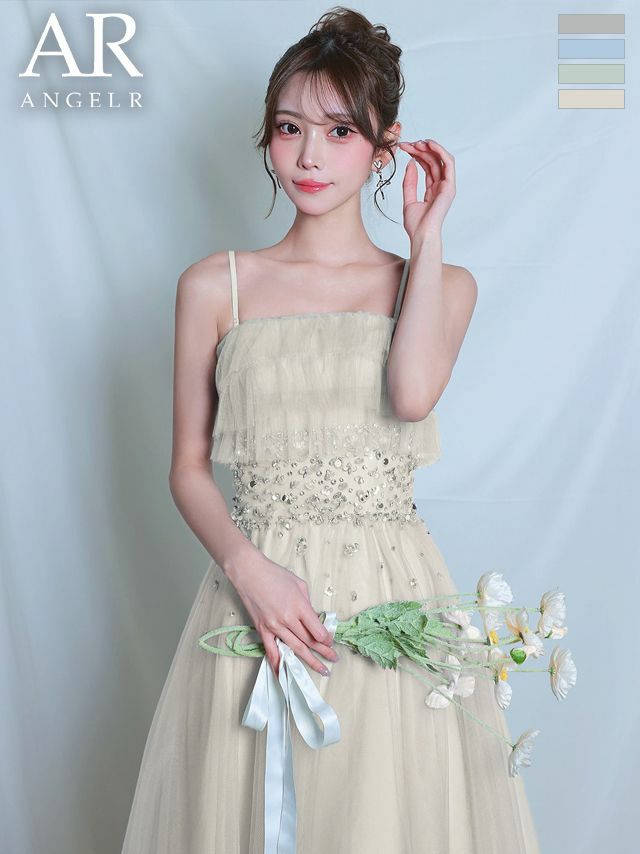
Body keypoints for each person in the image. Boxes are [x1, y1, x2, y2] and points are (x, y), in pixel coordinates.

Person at [121, 6, 541, 853]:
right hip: (256, 596)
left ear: (386, 146)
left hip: (393, 594)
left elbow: (411, 396)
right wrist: (250, 570)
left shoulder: (443, 283)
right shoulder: (214, 287)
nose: (309, 156)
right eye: (290, 129)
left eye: (340, 131)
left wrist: (426, 240)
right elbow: (187, 467)